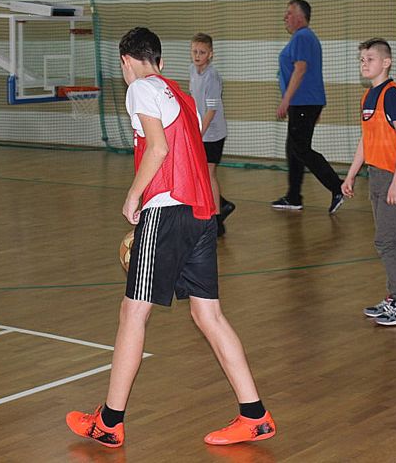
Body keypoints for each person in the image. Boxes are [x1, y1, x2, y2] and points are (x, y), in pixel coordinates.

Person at [66, 27, 276, 448]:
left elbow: (159, 149)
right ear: (160, 62)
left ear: (126, 61)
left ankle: (109, 421)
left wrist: (134, 195)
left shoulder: (140, 89)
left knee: (133, 313)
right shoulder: (180, 95)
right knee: (208, 315)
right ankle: (255, 416)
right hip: (202, 214)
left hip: (168, 210)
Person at [342, 38, 396, 325]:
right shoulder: (367, 97)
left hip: (393, 176)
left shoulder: (392, 95)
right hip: (376, 175)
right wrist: (351, 174)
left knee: (386, 240)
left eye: (370, 59)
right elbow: (366, 140)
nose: (364, 64)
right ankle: (394, 298)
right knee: (388, 239)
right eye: (362, 59)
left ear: (386, 62)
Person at [271, 0, 344, 214]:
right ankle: (294, 196)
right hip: (306, 103)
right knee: (294, 149)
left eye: (289, 13)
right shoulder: (304, 37)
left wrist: (286, 100)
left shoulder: (302, 36)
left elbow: (301, 69)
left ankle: (337, 187)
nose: (285, 17)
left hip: (303, 102)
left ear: (301, 17)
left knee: (300, 149)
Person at [189, 32, 235, 237]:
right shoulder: (192, 70)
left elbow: (211, 109)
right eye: (194, 52)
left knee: (208, 174)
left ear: (210, 54)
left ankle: (217, 220)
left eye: (202, 52)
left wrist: (199, 133)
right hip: (201, 131)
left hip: (213, 133)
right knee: (200, 174)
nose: (197, 56)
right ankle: (222, 204)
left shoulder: (212, 77)